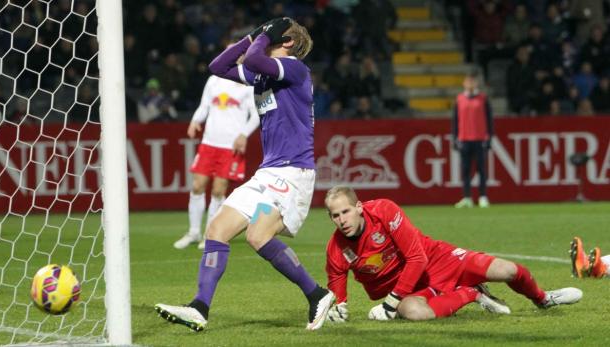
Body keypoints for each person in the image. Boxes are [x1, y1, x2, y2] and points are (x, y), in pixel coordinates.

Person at [155, 17, 335, 332]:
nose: (260, 42)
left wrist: (263, 37)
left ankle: (316, 294)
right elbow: (218, 66)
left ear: (287, 42)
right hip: (268, 173)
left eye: (271, 38)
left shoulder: (294, 69)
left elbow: (253, 58)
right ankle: (200, 307)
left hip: (293, 172)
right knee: (217, 229)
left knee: (257, 235)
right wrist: (252, 35)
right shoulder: (263, 76)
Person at [323, 186, 582, 323]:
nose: (342, 220)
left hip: (436, 261)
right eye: (335, 215)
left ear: (358, 207)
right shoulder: (336, 250)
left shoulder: (384, 211)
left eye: (345, 212)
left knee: (508, 271)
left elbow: (417, 259)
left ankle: (543, 298)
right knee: (413, 313)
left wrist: (390, 304)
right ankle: (473, 293)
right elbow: (338, 298)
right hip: (411, 291)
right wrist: (338, 311)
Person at [173, 73, 259, 250]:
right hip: (209, 143)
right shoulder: (214, 80)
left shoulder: (249, 84)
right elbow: (204, 106)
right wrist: (195, 120)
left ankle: (210, 234)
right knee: (197, 186)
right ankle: (194, 231)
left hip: (230, 146)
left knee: (218, 190)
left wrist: (244, 135)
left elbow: (256, 115)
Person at [452, 71, 493, 208]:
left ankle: (482, 196)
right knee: (465, 170)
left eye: (472, 81)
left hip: (479, 138)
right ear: (464, 83)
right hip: (464, 139)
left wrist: (489, 137)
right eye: (468, 81)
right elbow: (455, 121)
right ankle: (467, 197)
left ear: (476, 83)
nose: (470, 84)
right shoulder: (459, 99)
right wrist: (455, 138)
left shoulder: (483, 99)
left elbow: (489, 119)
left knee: (481, 169)